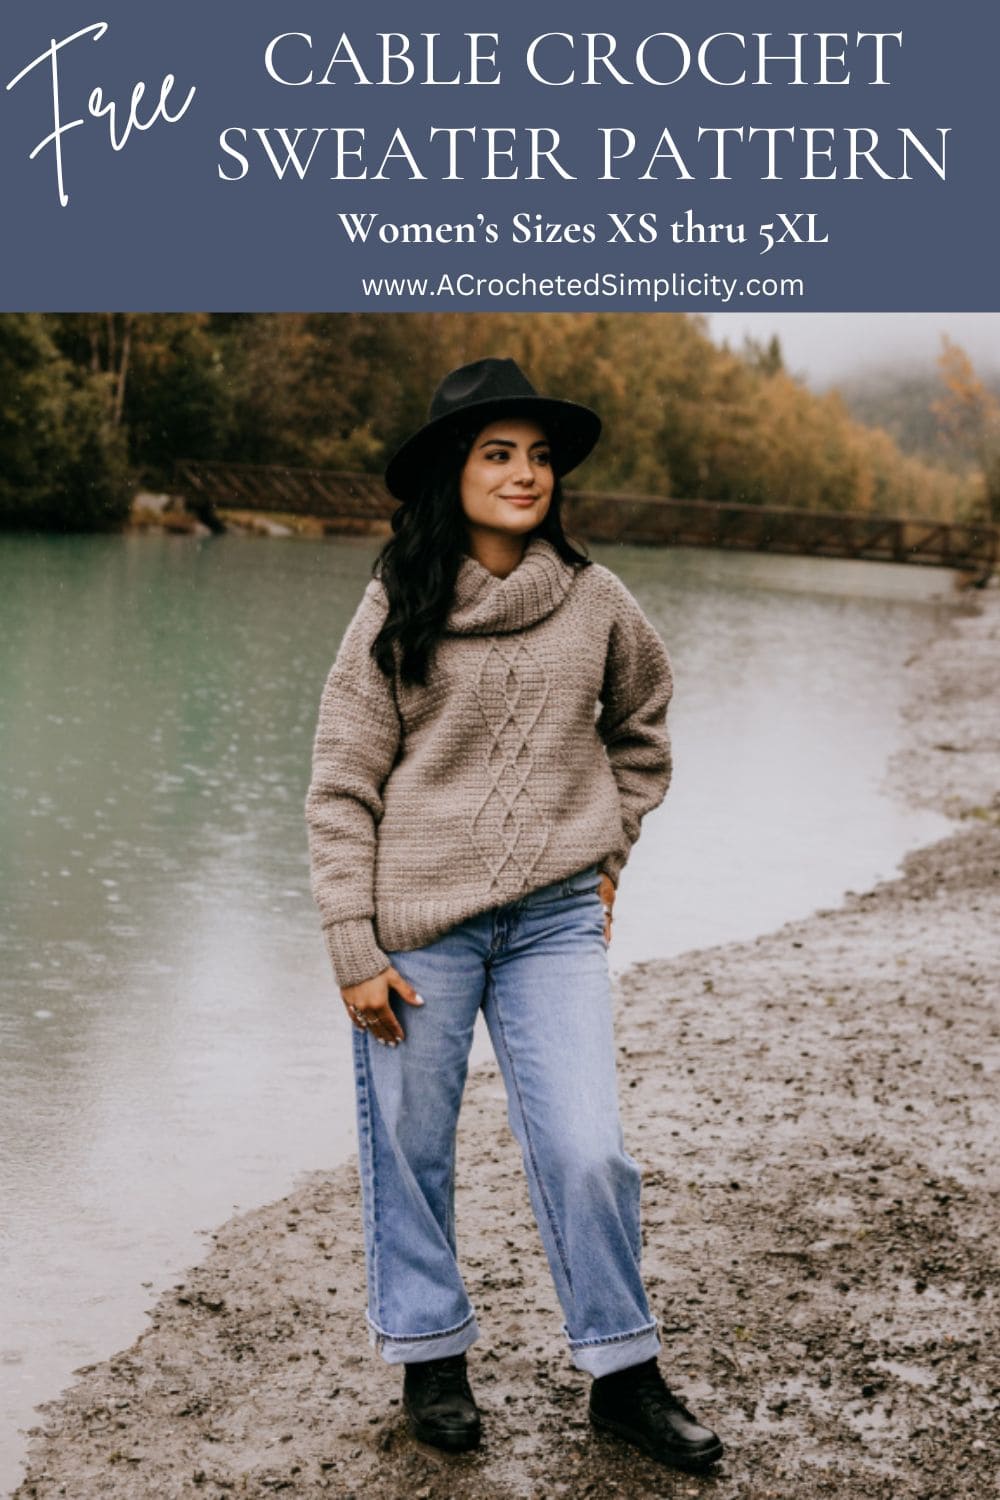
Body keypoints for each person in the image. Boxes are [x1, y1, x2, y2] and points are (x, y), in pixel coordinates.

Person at [305, 357, 723, 1473]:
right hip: (416, 928)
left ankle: (623, 1374)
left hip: (549, 924)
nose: (525, 472)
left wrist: (610, 846)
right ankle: (432, 1354)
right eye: (499, 452)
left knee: (590, 1150)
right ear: (453, 468)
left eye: (539, 456)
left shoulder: (595, 600)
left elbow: (644, 724)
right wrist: (353, 941)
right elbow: (341, 784)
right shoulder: (394, 601)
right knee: (409, 1149)